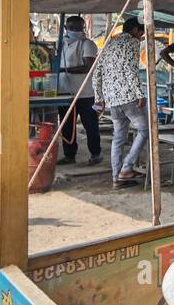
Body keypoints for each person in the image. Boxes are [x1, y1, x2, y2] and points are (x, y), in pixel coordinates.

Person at [92, 16, 148, 188]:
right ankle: (127, 167)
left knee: (118, 138)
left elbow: (96, 74)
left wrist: (99, 98)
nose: (141, 38)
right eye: (141, 34)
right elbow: (131, 70)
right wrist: (140, 94)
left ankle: (117, 178)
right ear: (135, 31)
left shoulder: (109, 44)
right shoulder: (131, 43)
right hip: (128, 98)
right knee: (145, 130)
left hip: (112, 101)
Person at [58, 15, 101, 165]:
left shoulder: (87, 44)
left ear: (83, 28)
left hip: (85, 92)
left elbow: (88, 66)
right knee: (66, 125)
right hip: (63, 91)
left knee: (90, 124)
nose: (76, 31)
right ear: (65, 28)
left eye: (78, 28)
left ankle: (95, 153)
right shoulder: (60, 43)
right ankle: (69, 155)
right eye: (72, 28)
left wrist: (65, 69)